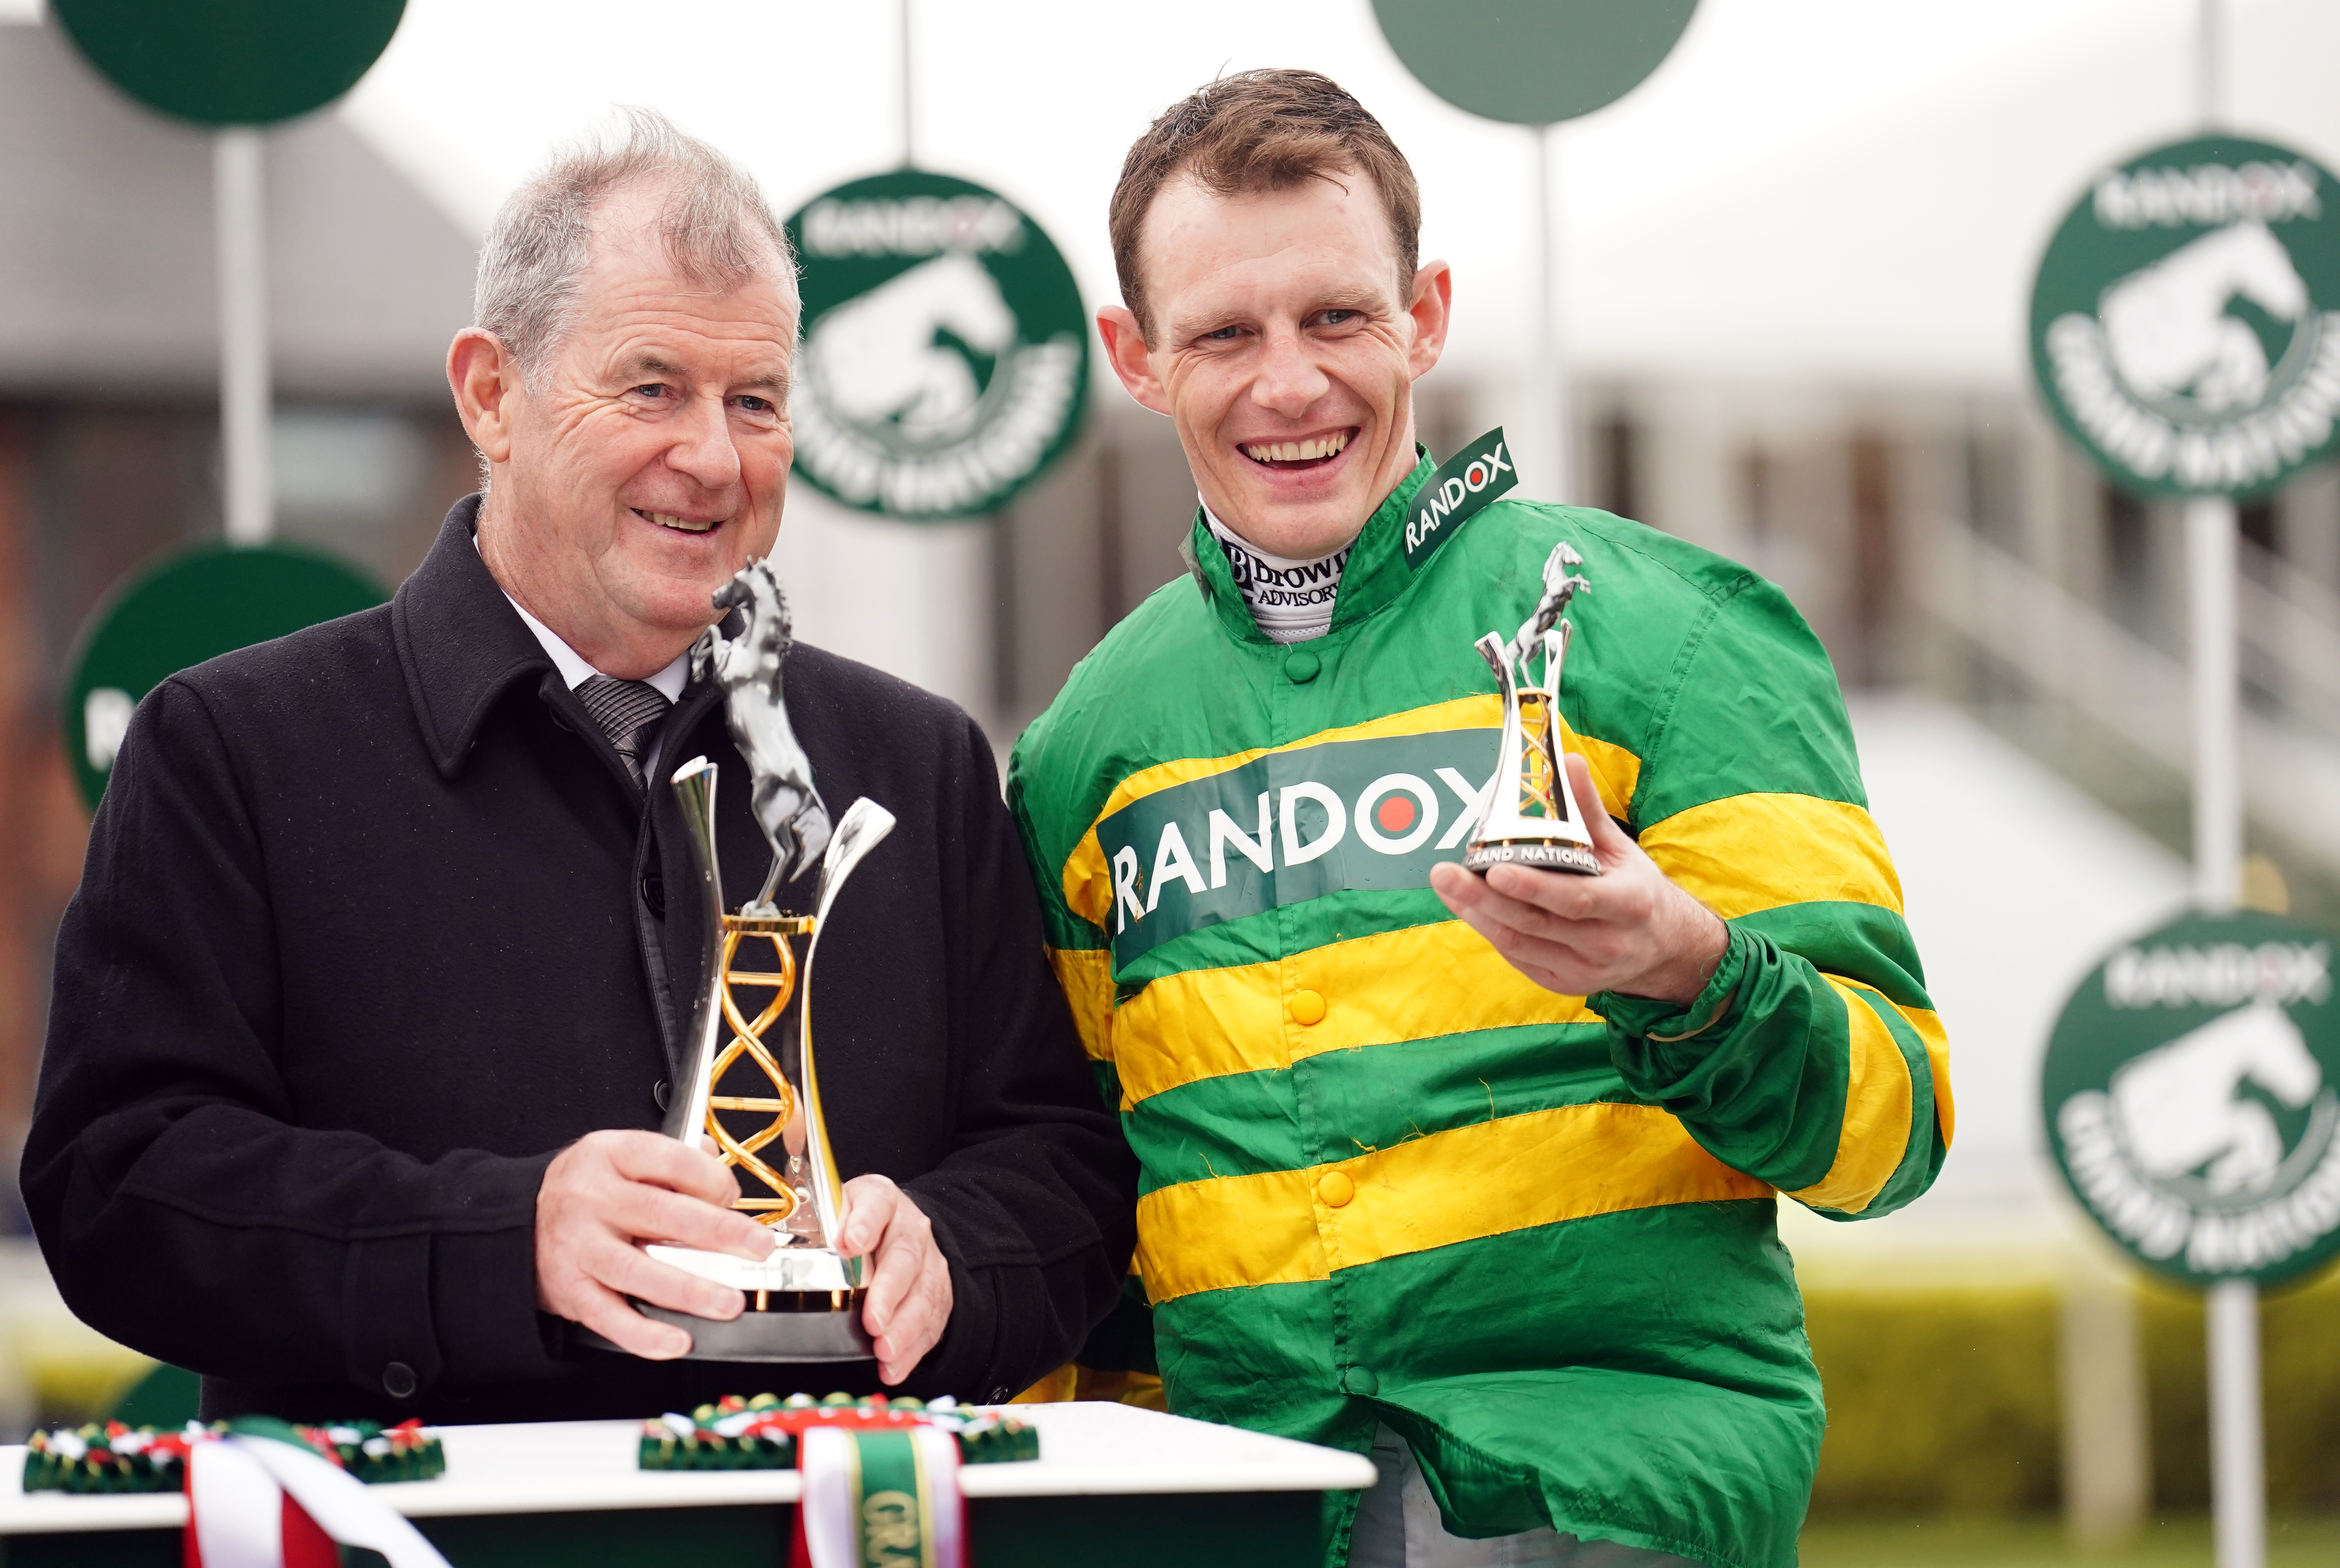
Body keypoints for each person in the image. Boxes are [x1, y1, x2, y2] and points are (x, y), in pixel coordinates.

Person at [25, 109, 1134, 1425]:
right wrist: (505, 1238)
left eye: (757, 401)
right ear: (492, 394)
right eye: (652, 386)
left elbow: (1062, 1167)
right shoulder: (237, 749)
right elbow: (118, 1186)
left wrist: (960, 1252)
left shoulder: (920, 760)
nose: (713, 458)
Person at [1008, 71, 1950, 1568]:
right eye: (1224, 335)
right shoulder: (1083, 748)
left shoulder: (1676, 637)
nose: (1290, 385)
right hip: (1235, 1496)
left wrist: (1685, 968)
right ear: (1134, 357)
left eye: (1336, 319)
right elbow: (1077, 1186)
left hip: (1598, 1488)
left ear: (1426, 315)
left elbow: (1889, 1129)